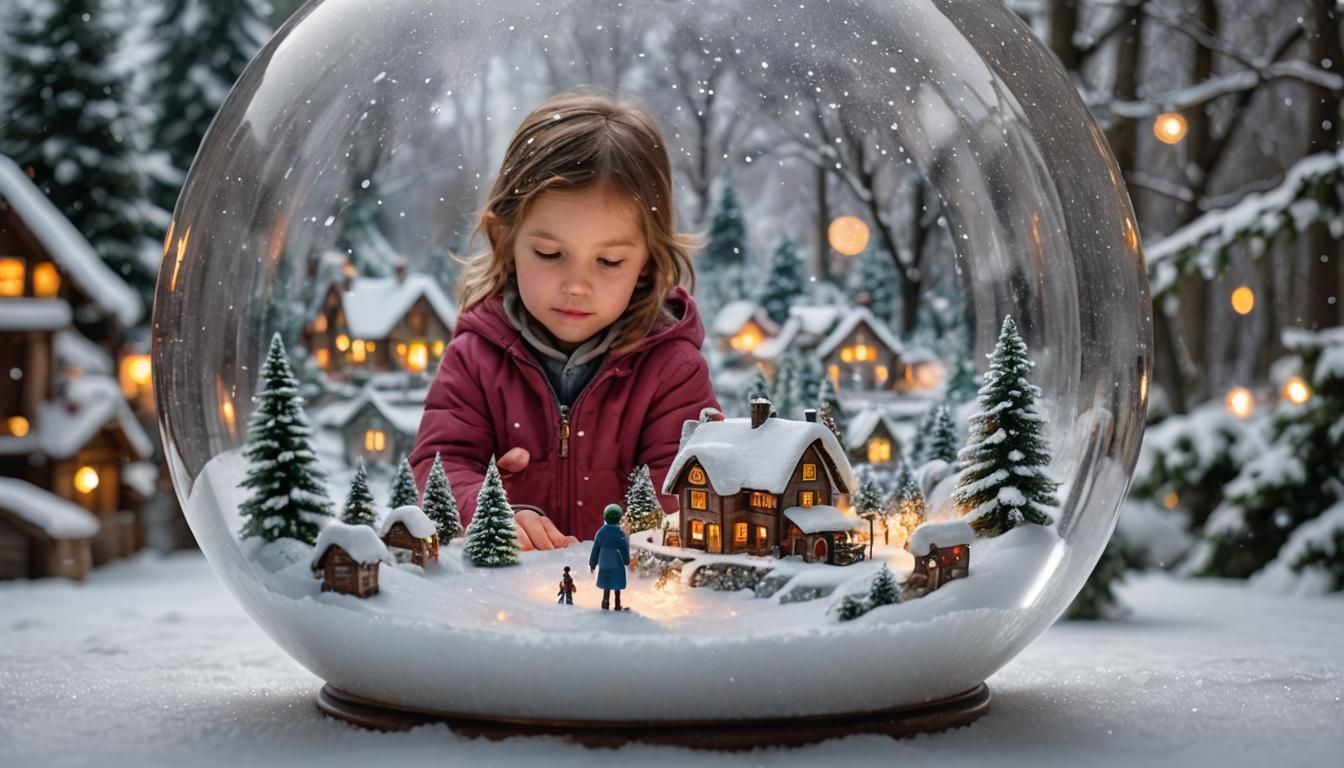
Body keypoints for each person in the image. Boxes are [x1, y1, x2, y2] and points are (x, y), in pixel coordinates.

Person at [411, 90, 720, 550]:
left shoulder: (673, 372)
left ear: (648, 265)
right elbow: (439, 467)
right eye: (550, 254)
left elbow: (691, 488)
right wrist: (490, 509)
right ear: (503, 240)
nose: (577, 285)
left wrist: (639, 539)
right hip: (502, 602)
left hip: (631, 602)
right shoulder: (475, 359)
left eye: (609, 261)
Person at [589, 504, 631, 611]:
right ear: (619, 518)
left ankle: (605, 601)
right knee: (617, 585)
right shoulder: (620, 533)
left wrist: (593, 563)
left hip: (604, 563)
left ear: (605, 517)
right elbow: (624, 549)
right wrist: (626, 561)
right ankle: (617, 604)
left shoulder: (601, 533)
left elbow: (596, 549)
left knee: (606, 584)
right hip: (617, 563)